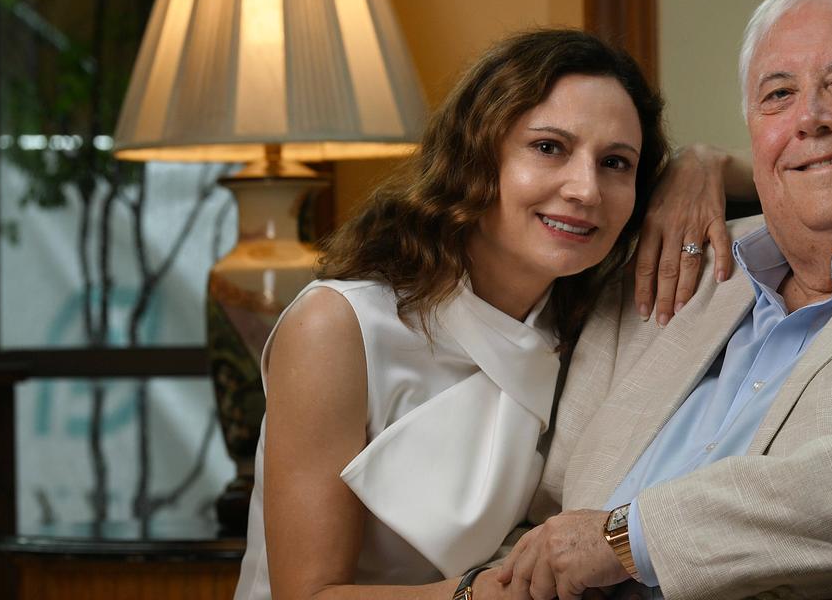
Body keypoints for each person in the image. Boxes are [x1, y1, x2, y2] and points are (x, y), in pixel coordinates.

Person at [493, 0, 832, 600]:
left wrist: (629, 540)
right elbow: (539, 515)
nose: (811, 119)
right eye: (778, 95)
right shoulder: (678, 262)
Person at [232, 29, 670, 600]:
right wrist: (476, 594)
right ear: (476, 155)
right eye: (548, 148)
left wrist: (703, 170)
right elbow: (308, 595)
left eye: (616, 162)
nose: (586, 189)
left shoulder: (599, 322)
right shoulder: (338, 327)